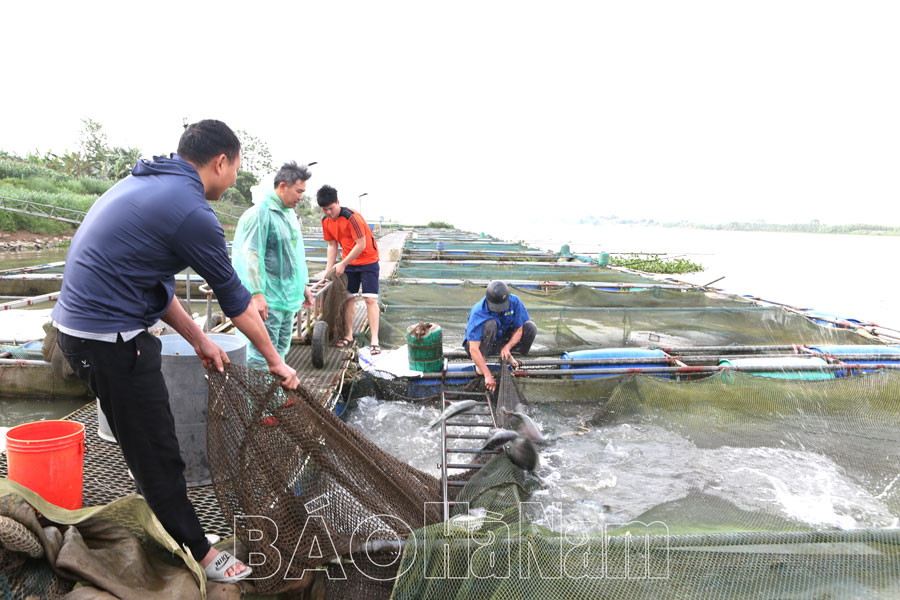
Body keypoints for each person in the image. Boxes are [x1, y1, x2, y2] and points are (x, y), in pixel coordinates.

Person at [51, 120, 298, 584]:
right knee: (157, 448)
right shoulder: (192, 212)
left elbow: (153, 284)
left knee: (143, 434)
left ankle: (167, 510)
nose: (234, 181)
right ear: (221, 162)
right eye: (237, 169)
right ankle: (199, 551)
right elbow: (237, 300)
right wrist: (276, 360)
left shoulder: (148, 183)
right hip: (107, 340)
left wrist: (199, 338)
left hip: (85, 329)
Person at [231, 161, 313, 369]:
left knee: (280, 349)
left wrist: (302, 286)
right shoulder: (260, 213)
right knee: (260, 354)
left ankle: (274, 394)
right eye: (298, 191)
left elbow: (294, 255)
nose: (300, 197)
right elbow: (250, 255)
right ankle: (258, 400)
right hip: (267, 299)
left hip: (285, 297)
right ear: (283, 186)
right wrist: (256, 294)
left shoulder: (288, 215)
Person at [317, 185, 381, 354]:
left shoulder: (351, 217)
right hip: (350, 263)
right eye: (325, 210)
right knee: (348, 298)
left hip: (368, 260)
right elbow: (332, 245)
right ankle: (348, 335)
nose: (329, 212)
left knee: (370, 299)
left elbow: (361, 244)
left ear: (338, 202)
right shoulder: (325, 221)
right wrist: (327, 271)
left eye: (331, 208)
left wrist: (343, 263)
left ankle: (375, 339)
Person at [463, 280, 537, 392]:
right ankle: (481, 362)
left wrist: (507, 347)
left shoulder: (515, 302)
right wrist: (487, 375)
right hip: (479, 347)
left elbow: (519, 330)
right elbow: (473, 348)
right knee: (491, 324)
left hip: (499, 342)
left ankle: (508, 355)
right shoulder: (478, 311)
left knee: (530, 327)